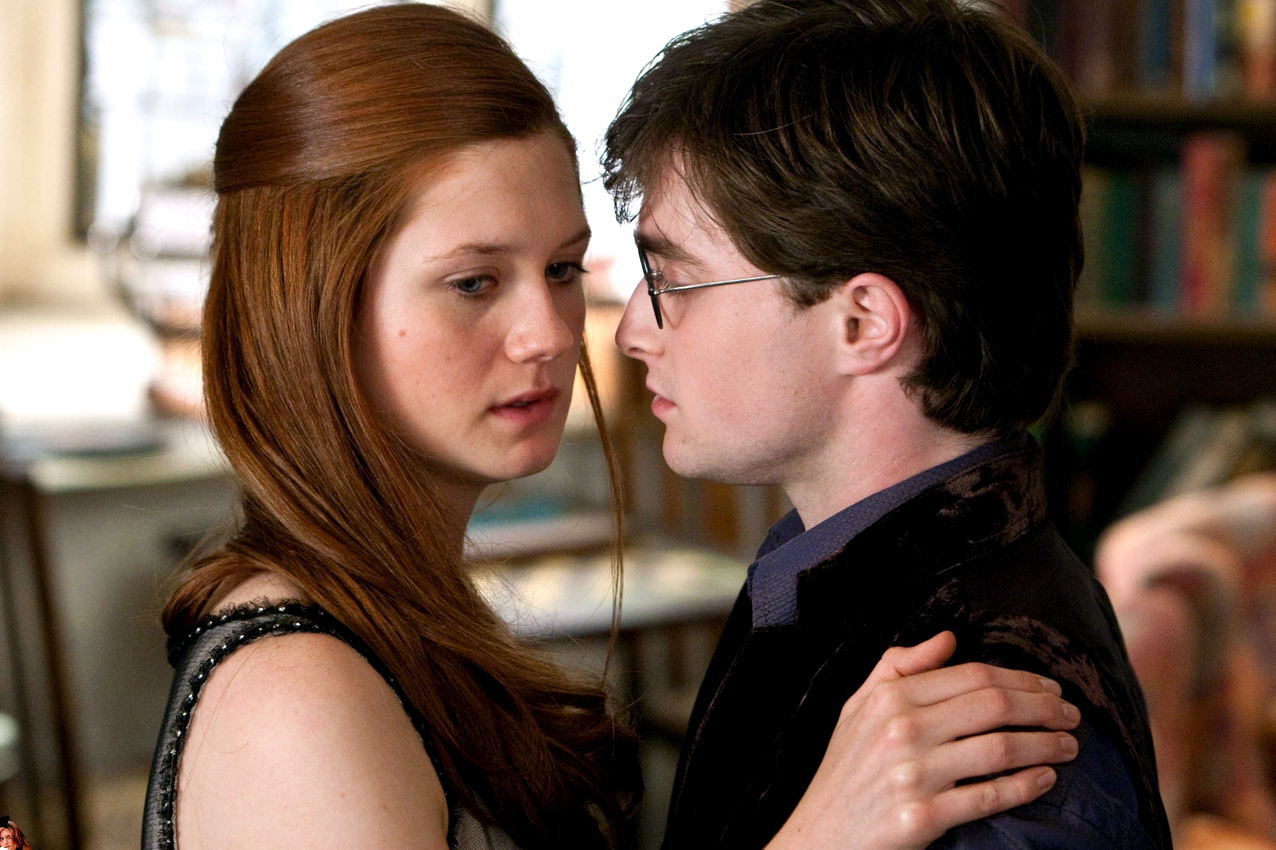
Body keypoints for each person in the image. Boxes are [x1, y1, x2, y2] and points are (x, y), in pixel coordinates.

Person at [141, 5, 1082, 850]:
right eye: (474, 282)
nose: (552, 335)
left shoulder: (406, 613)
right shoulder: (295, 694)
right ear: (309, 311)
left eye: (561, 270)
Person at [604, 0, 1172, 848]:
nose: (632, 332)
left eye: (673, 282)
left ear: (863, 323)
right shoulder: (831, 570)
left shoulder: (988, 747)